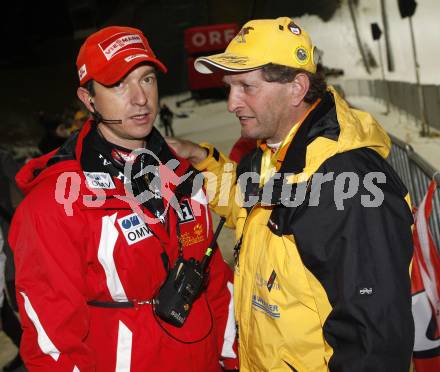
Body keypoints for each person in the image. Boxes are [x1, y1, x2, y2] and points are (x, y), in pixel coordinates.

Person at [166, 17, 414, 371]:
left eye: (246, 87)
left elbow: (373, 345)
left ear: (297, 88)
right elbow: (246, 209)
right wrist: (205, 160)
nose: (231, 103)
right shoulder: (272, 154)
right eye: (228, 87)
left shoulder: (349, 184)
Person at [9, 26, 238, 371]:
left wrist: (231, 360)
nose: (140, 97)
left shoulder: (182, 176)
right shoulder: (55, 203)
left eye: (146, 79)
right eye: (118, 84)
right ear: (88, 100)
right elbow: (52, 345)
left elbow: (215, 284)